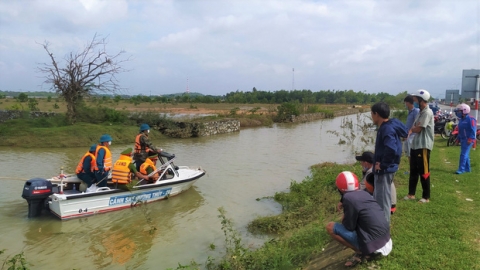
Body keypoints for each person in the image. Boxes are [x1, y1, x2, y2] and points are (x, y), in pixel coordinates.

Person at [326, 171, 392, 267]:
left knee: (330, 227)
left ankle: (361, 252)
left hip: (375, 247)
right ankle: (365, 250)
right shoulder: (364, 193)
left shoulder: (348, 198)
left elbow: (349, 227)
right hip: (386, 240)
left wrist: (345, 215)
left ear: (339, 188)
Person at [371, 102, 407, 223]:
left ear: (376, 114)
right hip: (388, 168)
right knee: (381, 196)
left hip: (385, 169)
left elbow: (392, 149)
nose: (371, 116)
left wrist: (383, 165)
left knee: (382, 199)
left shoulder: (386, 129)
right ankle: (381, 223)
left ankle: (383, 227)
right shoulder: (391, 124)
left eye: (372, 113)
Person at [404, 89, 434, 203]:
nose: (414, 101)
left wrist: (411, 130)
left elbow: (418, 128)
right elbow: (414, 126)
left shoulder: (427, 112)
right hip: (415, 144)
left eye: (416, 99)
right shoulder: (420, 112)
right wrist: (412, 129)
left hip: (423, 145)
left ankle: (426, 197)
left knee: (424, 171)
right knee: (413, 170)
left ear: (422, 100)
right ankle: (411, 194)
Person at [454, 103, 477, 174]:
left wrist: (471, 139)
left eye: (460, 111)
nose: (458, 113)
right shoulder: (461, 120)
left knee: (463, 154)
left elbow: (473, 130)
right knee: (465, 154)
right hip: (463, 139)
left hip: (469, 140)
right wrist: (458, 139)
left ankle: (461, 169)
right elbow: (460, 131)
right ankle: (467, 169)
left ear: (464, 111)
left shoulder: (471, 119)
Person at [403, 95, 420, 161]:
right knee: (408, 154)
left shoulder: (416, 111)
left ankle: (413, 169)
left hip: (412, 136)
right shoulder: (409, 112)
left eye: (405, 102)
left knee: (412, 154)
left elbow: (416, 123)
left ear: (408, 103)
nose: (405, 104)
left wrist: (409, 133)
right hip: (408, 135)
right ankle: (411, 169)